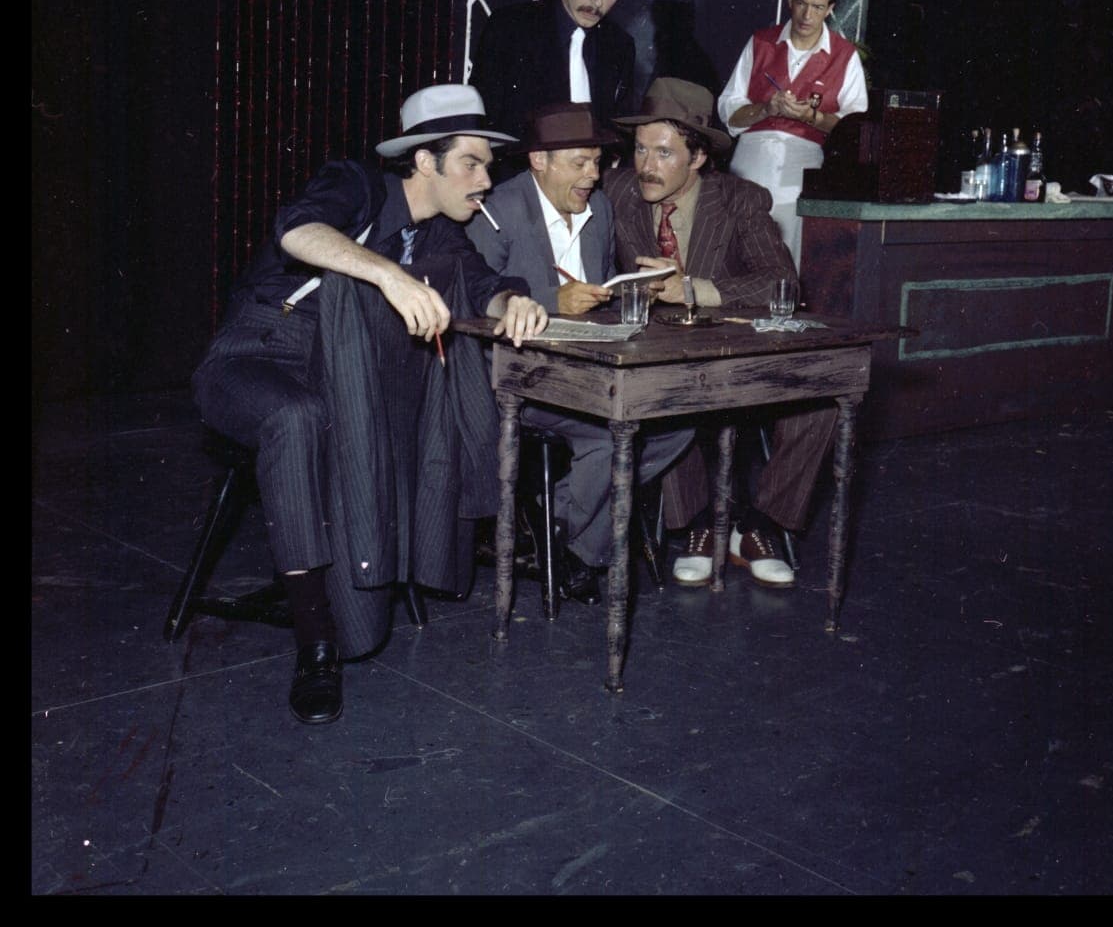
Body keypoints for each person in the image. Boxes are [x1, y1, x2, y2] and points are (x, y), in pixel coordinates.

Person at [191, 84, 548, 725]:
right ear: (424, 161)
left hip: (341, 376)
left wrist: (515, 301)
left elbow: (484, 286)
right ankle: (316, 646)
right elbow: (297, 231)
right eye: (472, 163)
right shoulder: (357, 185)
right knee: (297, 419)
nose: (486, 181)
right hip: (260, 356)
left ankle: (373, 577)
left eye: (489, 166)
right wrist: (387, 274)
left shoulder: (442, 231)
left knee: (391, 414)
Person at [606, 77, 839, 589]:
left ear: (698, 158)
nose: (646, 165)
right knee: (663, 389)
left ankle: (759, 524)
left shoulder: (739, 200)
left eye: (663, 152)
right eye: (640, 149)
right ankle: (697, 525)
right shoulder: (615, 190)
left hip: (733, 353)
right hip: (660, 353)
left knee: (822, 401)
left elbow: (781, 282)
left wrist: (691, 288)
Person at [466, 102, 692, 602]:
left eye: (597, 161)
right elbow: (471, 303)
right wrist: (553, 300)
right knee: (615, 436)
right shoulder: (498, 211)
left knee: (677, 423)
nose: (594, 174)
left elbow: (599, 290)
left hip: (587, 367)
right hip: (516, 374)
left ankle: (555, 529)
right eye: (580, 163)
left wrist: (629, 292)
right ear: (539, 161)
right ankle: (579, 550)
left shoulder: (600, 208)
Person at [718, 0, 868, 267]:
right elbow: (728, 111)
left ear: (830, 9)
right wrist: (766, 108)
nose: (807, 15)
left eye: (818, 7)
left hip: (801, 171)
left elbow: (855, 128)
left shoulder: (844, 55)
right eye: (801, 3)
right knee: (737, 259)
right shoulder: (760, 42)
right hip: (749, 165)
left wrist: (812, 117)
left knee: (788, 263)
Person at [470, 0, 642, 162]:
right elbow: (483, 123)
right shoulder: (510, 28)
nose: (597, 1)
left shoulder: (620, 46)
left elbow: (619, 132)